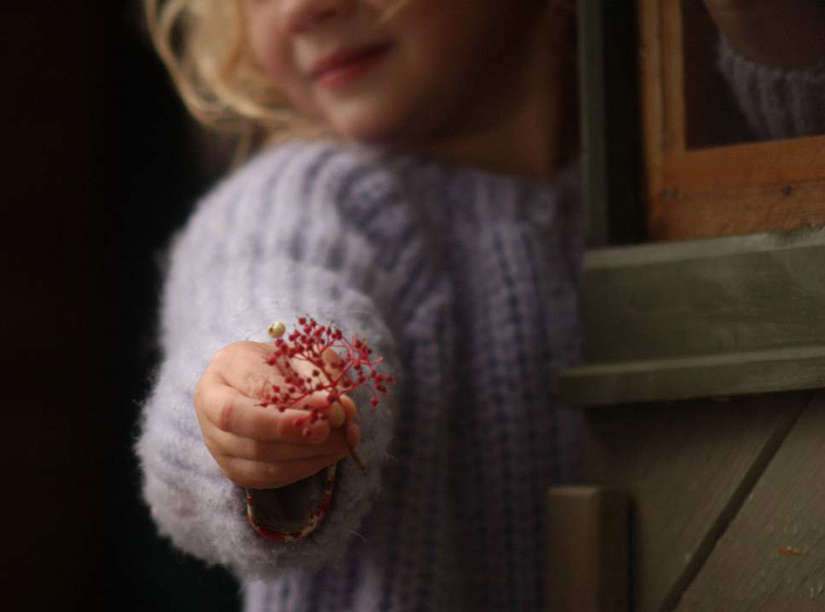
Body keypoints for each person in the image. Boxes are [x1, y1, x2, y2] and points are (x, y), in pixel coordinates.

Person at [134, 1, 825, 610]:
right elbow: (262, 293)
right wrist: (260, 401)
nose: (303, 8)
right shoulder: (305, 194)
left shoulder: (682, 155)